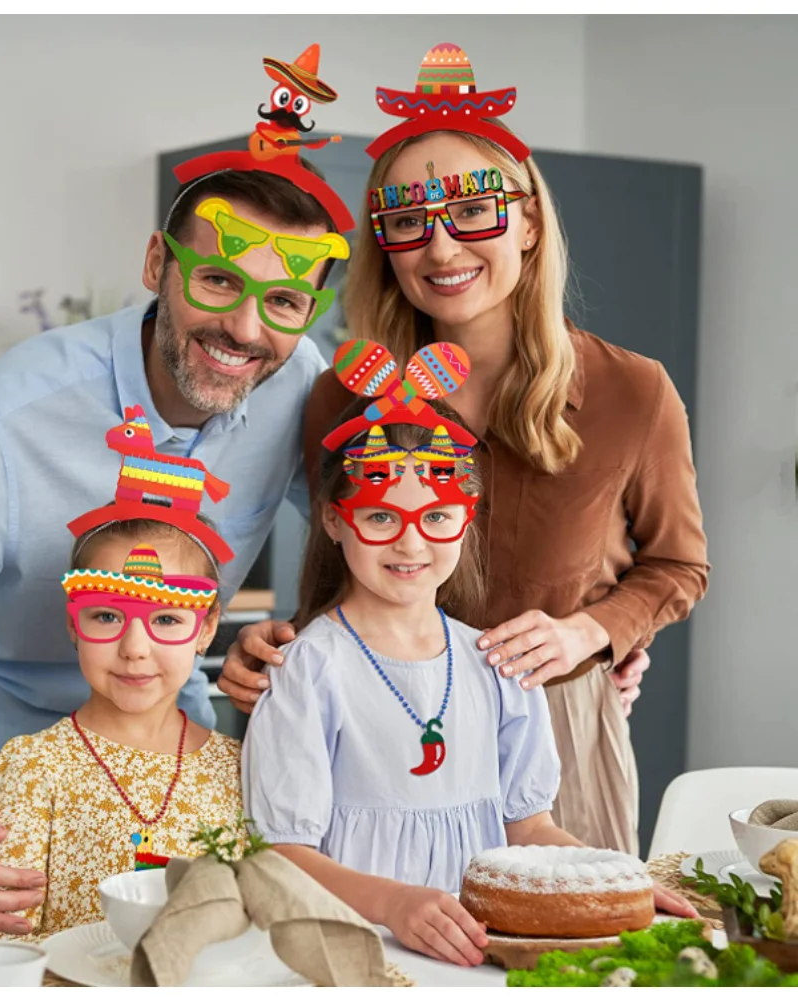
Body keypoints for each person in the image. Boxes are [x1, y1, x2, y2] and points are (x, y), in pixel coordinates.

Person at [0, 43, 356, 949]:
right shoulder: (9, 415)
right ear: (158, 261)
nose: (244, 330)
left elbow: (371, 539)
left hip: (170, 735)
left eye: (282, 302)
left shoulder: (294, 377)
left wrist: (309, 629)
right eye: (220, 281)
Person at [221, 42, 709, 858]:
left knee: (567, 969)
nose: (442, 249)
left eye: (472, 210)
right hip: (372, 739)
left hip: (553, 735)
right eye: (407, 220)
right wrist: (271, 646)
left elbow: (679, 567)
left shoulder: (634, 391)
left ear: (527, 220)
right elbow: (336, 575)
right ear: (386, 244)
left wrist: (593, 634)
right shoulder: (345, 395)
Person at [241, 361, 696, 968]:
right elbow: (281, 852)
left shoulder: (497, 667)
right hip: (350, 955)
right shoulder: (308, 670)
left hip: (476, 960)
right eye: (380, 516)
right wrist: (396, 904)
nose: (410, 543)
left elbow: (528, 830)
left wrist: (615, 882)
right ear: (334, 519)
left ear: (465, 517)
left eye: (435, 516)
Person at [0, 513, 244, 940]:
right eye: (106, 617)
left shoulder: (239, 766)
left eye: (166, 620)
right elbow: (7, 939)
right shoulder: (34, 766)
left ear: (206, 628)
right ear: (74, 623)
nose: (134, 649)